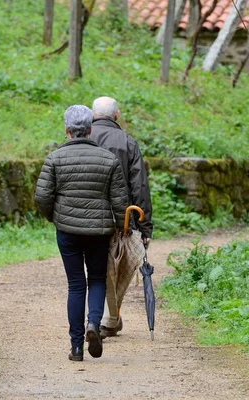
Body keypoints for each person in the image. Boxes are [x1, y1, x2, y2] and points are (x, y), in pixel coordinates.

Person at [35, 105, 128, 362]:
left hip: (67, 231)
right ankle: (93, 325)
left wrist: (56, 217)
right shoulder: (109, 159)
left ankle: (76, 347)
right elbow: (120, 201)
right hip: (99, 232)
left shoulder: (54, 159)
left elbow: (42, 196)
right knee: (97, 279)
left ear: (67, 130)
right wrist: (122, 228)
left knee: (76, 285)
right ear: (89, 130)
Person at [91, 96, 153, 338]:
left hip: (85, 217)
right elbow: (139, 186)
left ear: (93, 115)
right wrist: (145, 226)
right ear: (116, 115)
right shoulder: (127, 142)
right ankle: (111, 318)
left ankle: (103, 319)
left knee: (97, 268)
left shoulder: (82, 138)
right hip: (121, 218)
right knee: (115, 266)